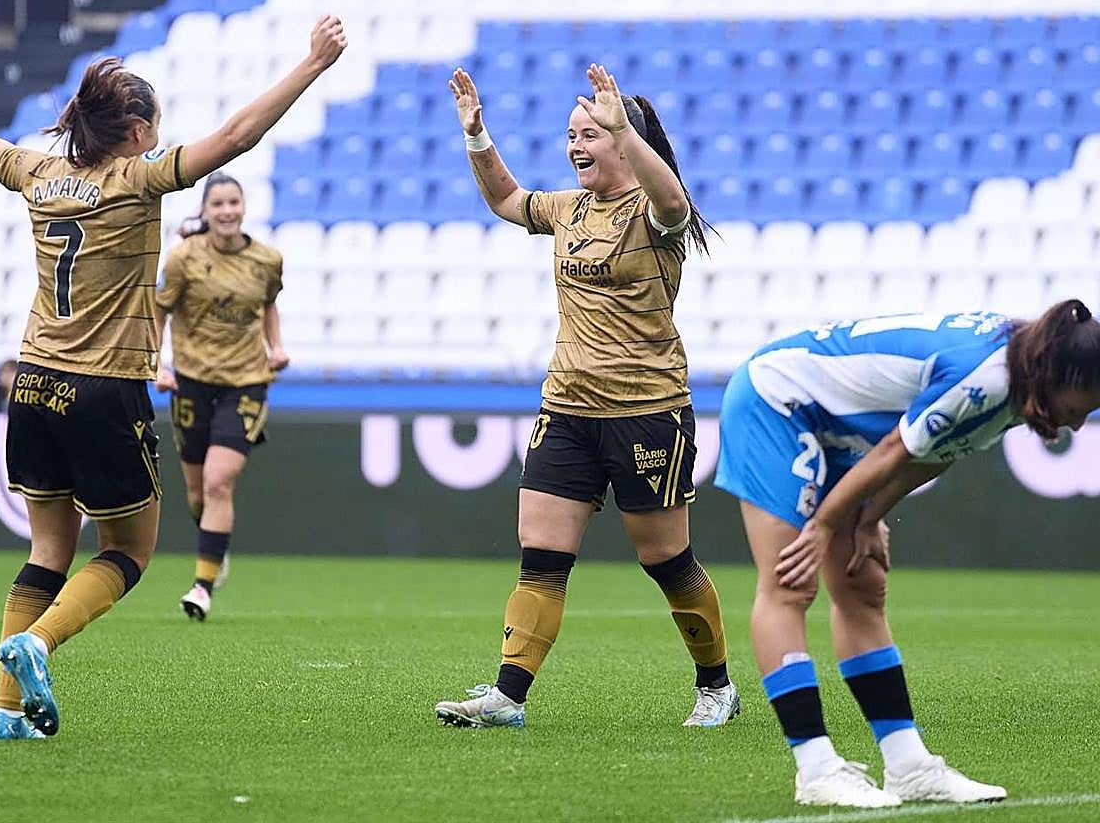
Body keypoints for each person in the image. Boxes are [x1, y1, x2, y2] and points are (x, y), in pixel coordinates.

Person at [0, 16, 345, 740]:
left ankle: (3, 712)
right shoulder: (136, 181)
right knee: (128, 552)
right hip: (103, 387)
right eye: (158, 124)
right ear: (137, 132)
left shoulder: (38, 174)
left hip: (34, 382)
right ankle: (38, 643)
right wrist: (312, 65)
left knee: (47, 549)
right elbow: (236, 137)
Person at [434, 64, 739, 729]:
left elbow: (675, 203)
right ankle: (508, 697)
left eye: (589, 135)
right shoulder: (568, 209)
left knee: (665, 560)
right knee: (541, 556)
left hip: (647, 411)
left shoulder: (656, 212)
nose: (574, 146)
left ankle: (716, 686)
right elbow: (507, 200)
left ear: (623, 142)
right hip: (567, 409)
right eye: (570, 135)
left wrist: (625, 128)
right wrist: (478, 137)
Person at [714, 301, 1100, 808]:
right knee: (791, 580)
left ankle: (908, 765)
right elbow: (898, 447)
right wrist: (826, 524)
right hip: (777, 400)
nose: (1078, 421)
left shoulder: (1022, 378)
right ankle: (815, 767)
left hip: (836, 421)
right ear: (1058, 373)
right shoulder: (986, 376)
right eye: (1080, 406)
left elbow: (934, 453)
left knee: (862, 585)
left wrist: (872, 516)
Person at [152, 172, 288, 622]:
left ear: (244, 207)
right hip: (191, 381)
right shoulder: (182, 258)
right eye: (219, 204)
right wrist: (158, 362)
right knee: (196, 490)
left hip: (246, 381)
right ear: (206, 211)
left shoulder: (267, 260)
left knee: (217, 480)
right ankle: (216, 547)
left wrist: (276, 347)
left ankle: (202, 586)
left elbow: (268, 304)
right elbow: (160, 309)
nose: (227, 211)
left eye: (234, 202)